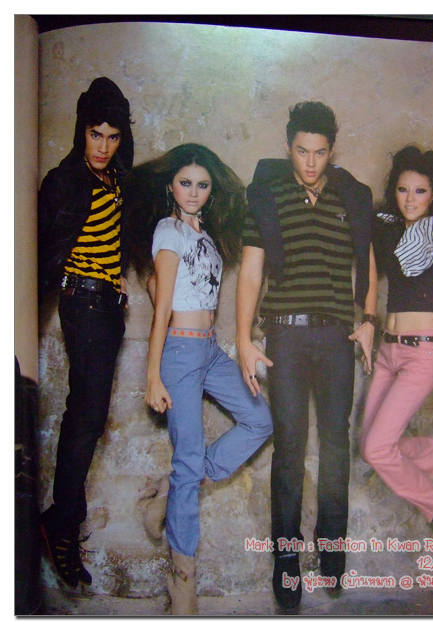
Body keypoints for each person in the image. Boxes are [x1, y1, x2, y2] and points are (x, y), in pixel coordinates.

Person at [236, 101, 378, 610]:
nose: (311, 162)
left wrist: (368, 320)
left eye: (320, 152)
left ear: (331, 150)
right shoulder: (268, 196)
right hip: (286, 337)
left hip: (337, 336)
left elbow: (366, 261)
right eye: (302, 151)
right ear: (288, 147)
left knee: (336, 444)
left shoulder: (351, 196)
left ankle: (332, 549)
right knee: (291, 447)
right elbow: (251, 271)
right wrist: (243, 338)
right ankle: (286, 559)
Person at [127, 144, 273, 615]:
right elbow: (162, 309)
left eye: (202, 185)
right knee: (188, 459)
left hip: (208, 349)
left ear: (212, 191)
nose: (193, 192)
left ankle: (175, 489)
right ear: (171, 186)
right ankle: (182, 582)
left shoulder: (206, 237)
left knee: (260, 419)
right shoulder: (168, 231)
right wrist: (153, 375)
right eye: (185, 183)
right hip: (179, 352)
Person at [38, 77, 134, 588]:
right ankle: (62, 522)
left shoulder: (116, 178)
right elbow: (42, 247)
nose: (103, 146)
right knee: (85, 417)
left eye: (112, 137)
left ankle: (60, 519)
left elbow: (114, 237)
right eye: (95, 135)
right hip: (84, 304)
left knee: (88, 416)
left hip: (108, 307)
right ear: (82, 131)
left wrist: (118, 280)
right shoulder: (65, 180)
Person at [359, 145, 433, 539]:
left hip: (421, 355)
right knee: (371, 448)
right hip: (387, 351)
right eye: (402, 190)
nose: (410, 200)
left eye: (420, 191)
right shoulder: (389, 231)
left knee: (378, 448)